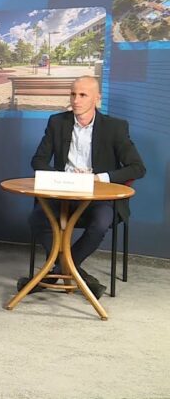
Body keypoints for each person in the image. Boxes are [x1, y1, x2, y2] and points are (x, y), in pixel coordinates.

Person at [23, 76, 145, 299]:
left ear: (97, 98)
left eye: (82, 95)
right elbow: (38, 161)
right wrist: (63, 177)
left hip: (97, 197)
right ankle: (78, 274)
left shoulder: (115, 127)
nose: (76, 100)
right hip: (63, 193)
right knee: (37, 218)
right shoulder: (57, 122)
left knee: (100, 223)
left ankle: (54, 272)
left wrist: (98, 178)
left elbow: (137, 168)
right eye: (73, 94)